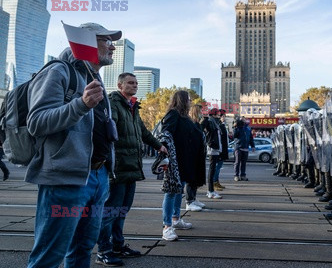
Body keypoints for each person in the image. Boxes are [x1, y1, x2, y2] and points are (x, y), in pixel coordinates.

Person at [26, 22, 121, 268]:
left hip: (97, 177)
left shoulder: (94, 77)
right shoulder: (58, 71)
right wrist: (81, 104)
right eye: (106, 40)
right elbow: (36, 122)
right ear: (87, 40)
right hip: (66, 180)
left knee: (82, 251)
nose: (113, 46)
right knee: (49, 256)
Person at [96, 73, 166, 266]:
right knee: (111, 211)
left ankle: (118, 246)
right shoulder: (113, 103)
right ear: (120, 85)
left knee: (122, 210)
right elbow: (110, 129)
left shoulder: (132, 106)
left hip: (131, 166)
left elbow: (142, 132)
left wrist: (159, 145)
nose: (134, 85)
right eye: (130, 83)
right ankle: (103, 250)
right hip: (118, 166)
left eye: (136, 83)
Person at [159, 90, 205, 241]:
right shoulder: (173, 114)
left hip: (185, 160)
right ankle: (167, 226)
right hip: (175, 160)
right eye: (189, 99)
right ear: (182, 100)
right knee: (171, 192)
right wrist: (167, 156)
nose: (190, 102)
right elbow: (166, 134)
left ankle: (175, 219)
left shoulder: (184, 116)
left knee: (179, 190)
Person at [185, 104, 207, 212]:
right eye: (200, 112)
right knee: (191, 179)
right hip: (192, 155)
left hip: (198, 155)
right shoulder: (191, 124)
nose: (201, 114)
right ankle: (189, 201)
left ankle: (193, 198)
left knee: (196, 178)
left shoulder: (198, 125)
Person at [201, 108, 223, 199]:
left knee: (213, 170)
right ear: (213, 115)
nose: (219, 116)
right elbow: (201, 127)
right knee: (212, 170)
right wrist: (205, 118)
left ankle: (211, 190)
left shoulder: (215, 123)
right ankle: (210, 191)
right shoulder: (210, 122)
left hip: (216, 149)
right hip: (212, 149)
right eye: (217, 115)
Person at [233, 117, 255, 181]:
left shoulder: (248, 129)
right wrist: (235, 127)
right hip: (238, 148)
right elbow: (234, 136)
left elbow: (251, 138)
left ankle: (243, 175)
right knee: (237, 162)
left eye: (244, 119)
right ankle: (236, 175)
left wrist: (253, 146)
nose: (244, 120)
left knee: (244, 163)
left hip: (245, 148)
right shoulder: (237, 128)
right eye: (242, 119)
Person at [213, 109, 229, 191]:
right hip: (220, 149)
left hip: (223, 149)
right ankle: (214, 182)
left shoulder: (222, 125)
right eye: (223, 116)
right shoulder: (218, 125)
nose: (224, 118)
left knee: (219, 167)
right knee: (217, 167)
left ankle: (217, 181)